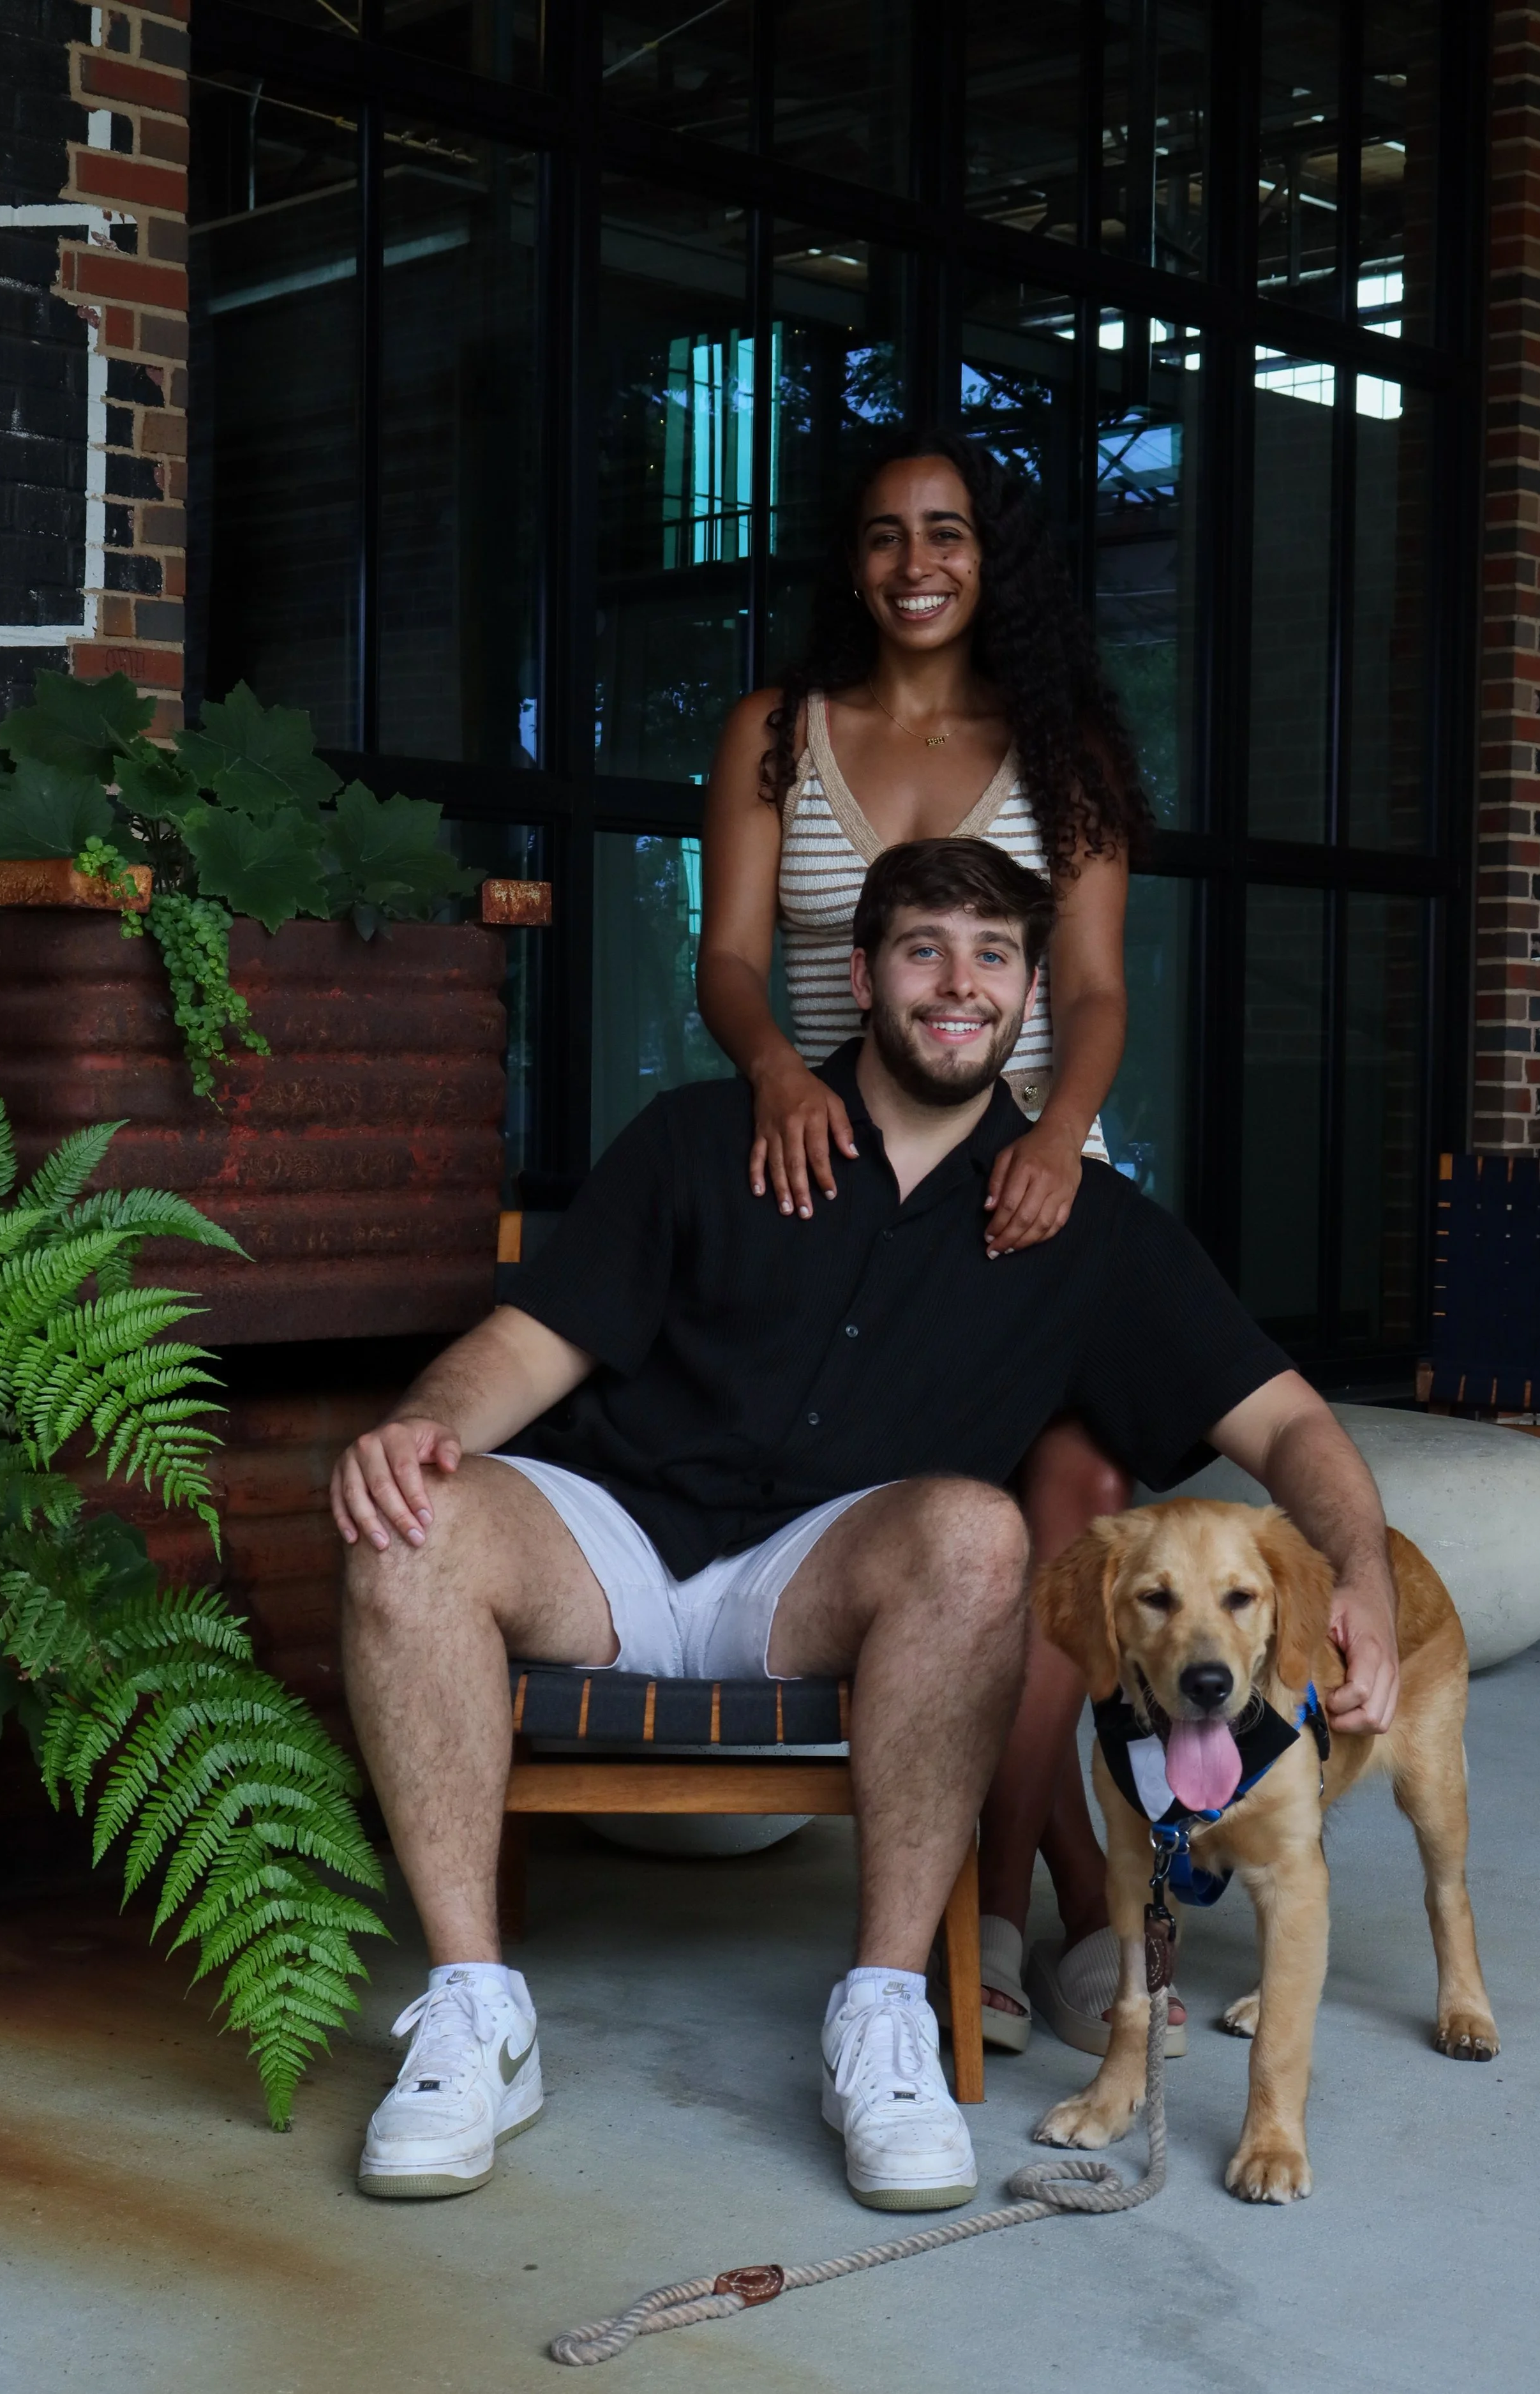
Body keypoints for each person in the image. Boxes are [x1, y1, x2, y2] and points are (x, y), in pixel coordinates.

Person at [331, 839, 1400, 2217]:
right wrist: (423, 1429)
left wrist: (1356, 1572)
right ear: (858, 975)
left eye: (992, 957)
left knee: (974, 1533)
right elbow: (524, 1348)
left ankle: (885, 2013)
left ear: (1029, 996)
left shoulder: (1083, 1225)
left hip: (821, 1574)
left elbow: (1292, 1425)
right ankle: (477, 2016)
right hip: (607, 1537)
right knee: (407, 1518)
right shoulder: (697, 1140)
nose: (957, 985)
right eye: (922, 950)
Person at [697, 426, 1154, 2050]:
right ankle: (1073, 1891)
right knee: (959, 1528)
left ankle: (1006, 1906)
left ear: (988, 558)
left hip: (1032, 1167)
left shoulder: (1066, 748)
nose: (914, 565)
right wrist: (769, 1079)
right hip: (843, 1160)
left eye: (945, 533)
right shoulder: (771, 733)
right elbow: (732, 964)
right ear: (849, 560)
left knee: (1079, 1499)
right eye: (884, 535)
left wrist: (1049, 1135)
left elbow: (1091, 993)